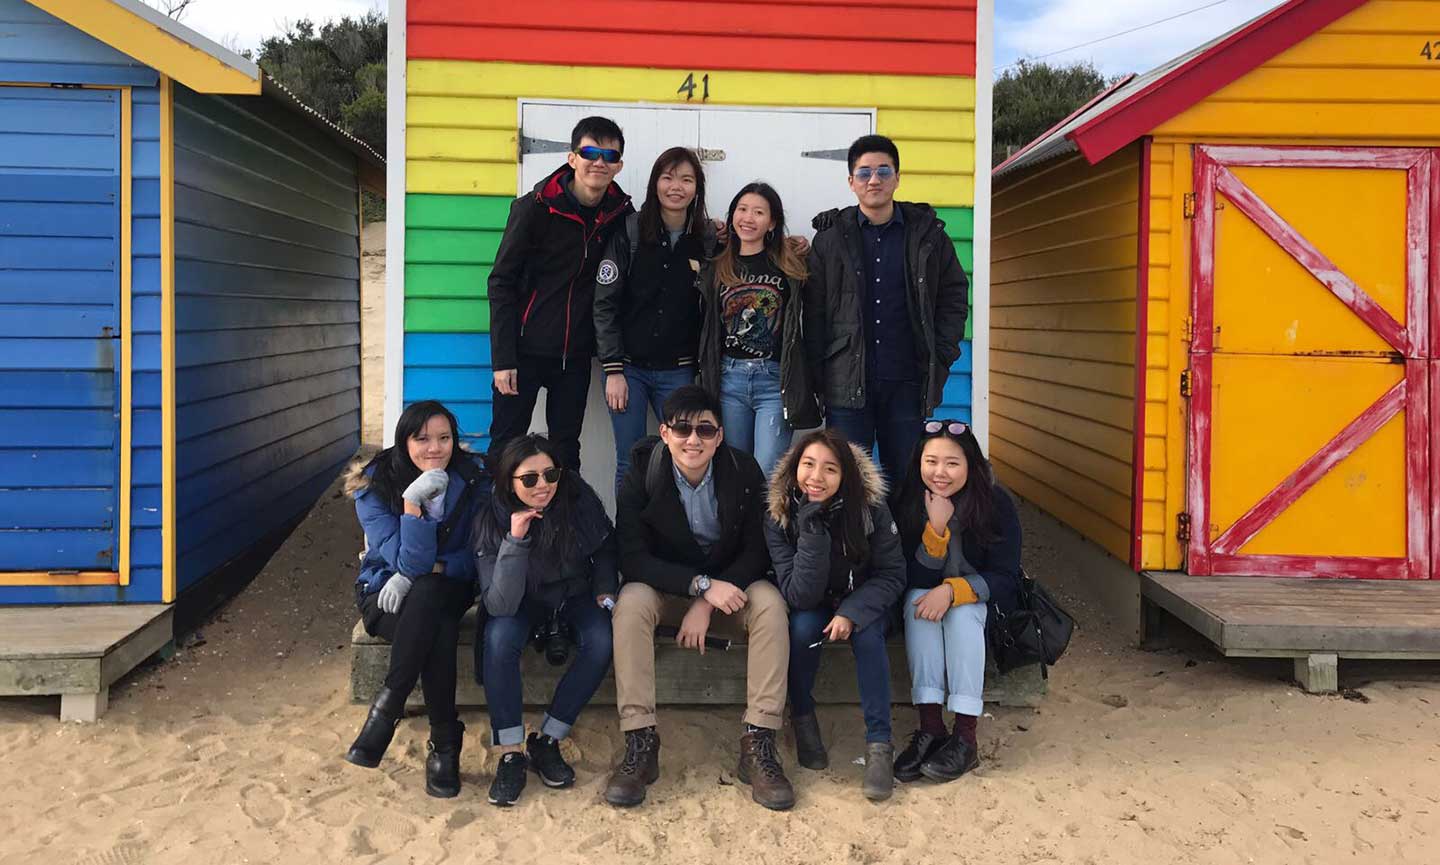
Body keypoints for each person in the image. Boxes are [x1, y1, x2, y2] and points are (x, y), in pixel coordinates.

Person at [603, 385, 795, 811]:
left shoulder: (743, 471)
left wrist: (708, 600)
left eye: (705, 430)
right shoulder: (640, 472)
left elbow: (757, 550)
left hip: (729, 587)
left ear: (720, 436)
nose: (694, 440)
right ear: (666, 433)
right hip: (666, 588)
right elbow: (632, 557)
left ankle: (759, 742)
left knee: (770, 604)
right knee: (630, 602)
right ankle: (640, 742)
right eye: (683, 429)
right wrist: (698, 587)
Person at [344, 400, 490, 799]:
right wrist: (412, 504)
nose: (434, 448)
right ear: (403, 441)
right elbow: (407, 560)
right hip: (384, 591)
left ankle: (386, 711)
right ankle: (444, 740)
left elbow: (477, 553)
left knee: (428, 592)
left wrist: (434, 572)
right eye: (422, 438)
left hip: (451, 586)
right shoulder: (373, 485)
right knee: (437, 627)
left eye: (444, 438)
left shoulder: (473, 478)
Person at [805, 134, 970, 486]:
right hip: (846, 385)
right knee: (846, 482)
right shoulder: (830, 239)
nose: (874, 180)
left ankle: (905, 543)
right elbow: (814, 311)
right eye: (864, 173)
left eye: (883, 171)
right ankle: (851, 544)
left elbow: (954, 294)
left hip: (908, 382)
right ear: (851, 182)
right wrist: (819, 376)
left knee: (909, 481)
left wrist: (941, 353)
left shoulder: (928, 235)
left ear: (897, 177)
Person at [474, 434, 617, 806]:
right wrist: (515, 539)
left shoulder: (575, 497)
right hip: (520, 601)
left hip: (572, 593)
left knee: (602, 639)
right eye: (530, 479)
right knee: (499, 638)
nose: (544, 486)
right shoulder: (491, 514)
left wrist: (604, 589)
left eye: (550, 474)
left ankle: (548, 739)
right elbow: (501, 604)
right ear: (509, 480)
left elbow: (604, 546)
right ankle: (510, 752)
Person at [764, 429, 906, 801]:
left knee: (868, 636)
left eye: (830, 469)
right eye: (808, 465)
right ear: (795, 468)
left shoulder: (870, 508)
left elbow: (892, 574)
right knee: (801, 628)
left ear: (846, 476)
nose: (816, 477)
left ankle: (879, 744)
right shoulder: (779, 514)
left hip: (866, 600)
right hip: (813, 603)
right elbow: (798, 594)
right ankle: (803, 719)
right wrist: (810, 531)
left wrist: (851, 612)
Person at [487, 115, 635, 472]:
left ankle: (564, 527)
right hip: (523, 351)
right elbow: (501, 282)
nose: (599, 162)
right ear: (573, 158)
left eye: (609, 156)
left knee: (566, 450)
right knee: (507, 444)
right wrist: (503, 358)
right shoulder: (534, 208)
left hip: (576, 356)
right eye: (590, 152)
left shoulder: (620, 214)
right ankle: (493, 525)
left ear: (618, 166)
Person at [889, 420, 1022, 783]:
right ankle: (931, 728)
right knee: (917, 603)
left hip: (982, 609)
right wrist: (935, 530)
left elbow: (1006, 578)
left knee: (962, 614)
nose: (940, 473)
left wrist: (953, 591)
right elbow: (909, 578)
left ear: (970, 465)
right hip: (929, 600)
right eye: (931, 461)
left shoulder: (996, 503)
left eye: (952, 463)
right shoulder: (907, 501)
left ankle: (965, 737)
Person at [594, 146, 715, 493]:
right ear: (655, 183)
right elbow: (604, 304)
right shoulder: (629, 231)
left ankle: (671, 542)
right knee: (630, 461)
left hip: (679, 372)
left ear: (697, 188)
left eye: (687, 179)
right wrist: (613, 369)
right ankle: (628, 542)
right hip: (628, 371)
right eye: (668, 177)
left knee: (682, 460)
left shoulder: (707, 239)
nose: (676, 186)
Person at [698, 182, 818, 477]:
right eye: (742, 210)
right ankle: (739, 526)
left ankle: (769, 526)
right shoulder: (717, 265)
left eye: (759, 212)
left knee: (768, 473)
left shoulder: (790, 264)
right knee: (735, 472)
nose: (748, 218)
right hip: (729, 380)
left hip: (774, 382)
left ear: (772, 222)